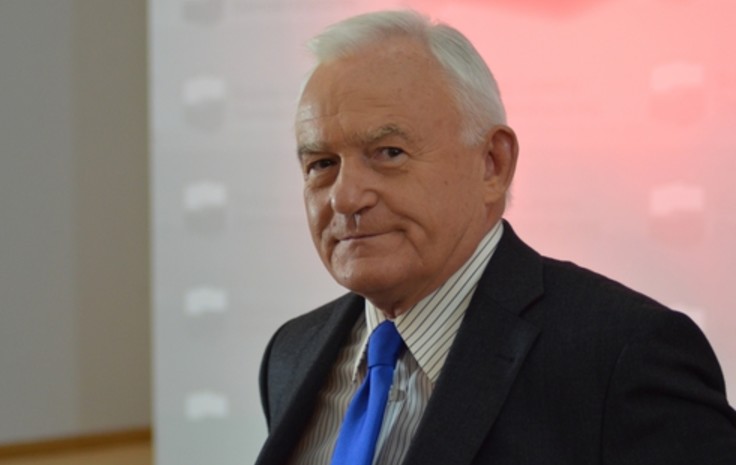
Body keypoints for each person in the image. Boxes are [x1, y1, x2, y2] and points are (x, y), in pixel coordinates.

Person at [254, 10, 736, 465]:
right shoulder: (291, 354)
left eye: (388, 152)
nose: (345, 197)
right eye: (321, 164)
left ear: (493, 164)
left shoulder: (624, 356)